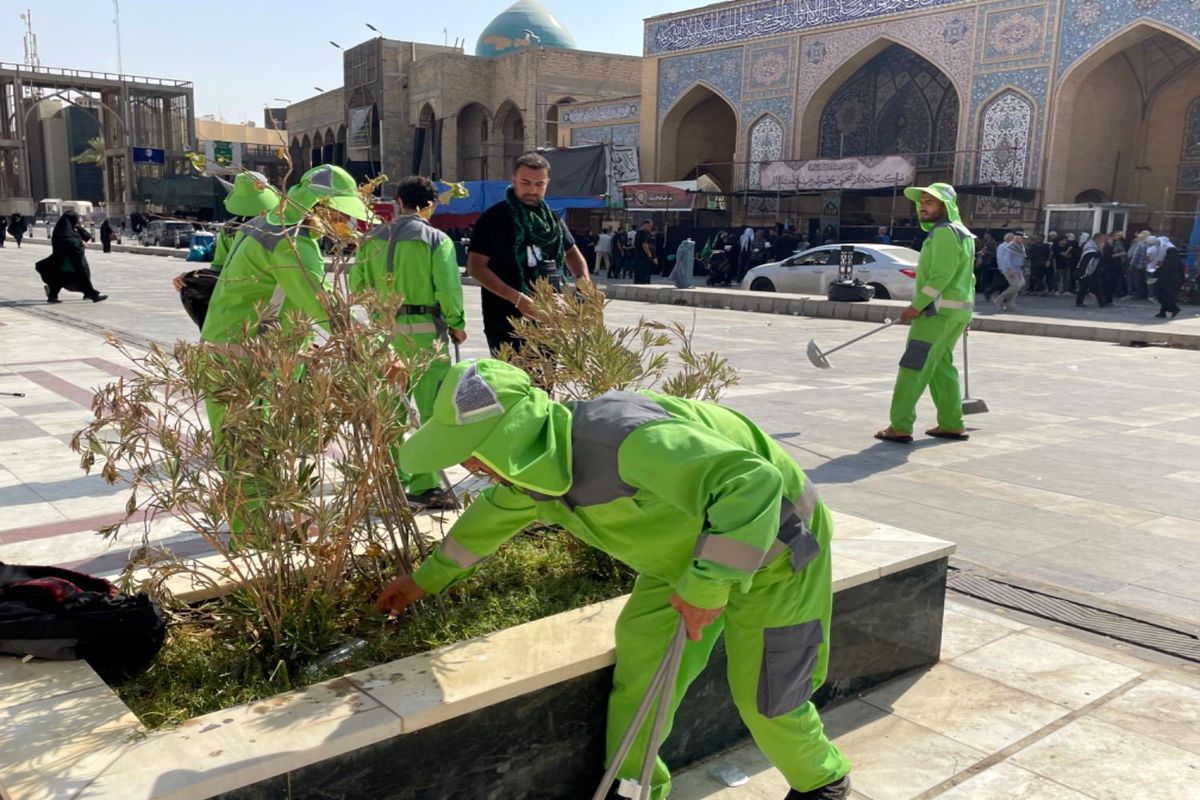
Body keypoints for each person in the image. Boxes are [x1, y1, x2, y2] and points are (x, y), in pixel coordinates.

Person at [376, 358, 854, 800]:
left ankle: (821, 781)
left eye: (472, 453)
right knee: (642, 668)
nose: (469, 468)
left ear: (511, 438)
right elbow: (488, 522)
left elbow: (752, 483)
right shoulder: (535, 472)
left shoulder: (627, 440)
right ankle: (635, 787)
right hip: (687, 558)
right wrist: (425, 580)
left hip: (779, 554)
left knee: (769, 697)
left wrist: (708, 586)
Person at [200, 164, 372, 534]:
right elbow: (321, 305)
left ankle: (258, 532)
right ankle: (253, 542)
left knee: (251, 453)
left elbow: (286, 304)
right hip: (243, 361)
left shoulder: (267, 226)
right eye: (338, 212)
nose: (342, 221)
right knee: (249, 455)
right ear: (318, 205)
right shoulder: (288, 240)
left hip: (240, 354)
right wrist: (371, 352)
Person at [350, 175, 466, 509]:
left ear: (398, 200)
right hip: (425, 336)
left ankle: (391, 481)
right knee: (431, 412)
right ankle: (425, 484)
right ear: (430, 205)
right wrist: (457, 323)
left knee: (390, 413)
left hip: (382, 336)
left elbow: (356, 288)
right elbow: (447, 288)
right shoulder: (435, 240)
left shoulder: (370, 239)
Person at [876, 183, 974, 444]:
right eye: (921, 203)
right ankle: (952, 424)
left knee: (913, 367)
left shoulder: (944, 233)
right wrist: (967, 314)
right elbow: (969, 278)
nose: (923, 207)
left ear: (946, 206)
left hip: (935, 314)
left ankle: (900, 426)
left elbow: (941, 275)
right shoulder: (964, 234)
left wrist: (917, 305)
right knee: (942, 368)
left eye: (930, 202)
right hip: (956, 312)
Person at [466, 152, 590, 355]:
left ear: (547, 184)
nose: (532, 190)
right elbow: (475, 267)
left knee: (544, 385)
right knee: (510, 384)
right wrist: (518, 299)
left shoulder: (551, 220)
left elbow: (573, 253)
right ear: (513, 180)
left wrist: (584, 287)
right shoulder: (494, 219)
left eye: (539, 184)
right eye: (526, 183)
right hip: (507, 320)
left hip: (548, 317)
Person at [34, 212, 107, 304]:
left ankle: (53, 296)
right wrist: (79, 243)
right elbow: (67, 242)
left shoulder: (70, 229)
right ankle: (93, 295)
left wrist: (78, 227)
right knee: (82, 276)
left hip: (69, 260)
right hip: (68, 260)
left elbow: (87, 236)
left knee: (60, 279)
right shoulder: (62, 231)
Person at [993, 230, 1026, 312]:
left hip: (1017, 268)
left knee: (1020, 284)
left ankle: (1010, 303)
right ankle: (1000, 299)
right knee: (1015, 285)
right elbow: (1002, 259)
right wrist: (1007, 269)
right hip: (1009, 269)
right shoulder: (1002, 247)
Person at [1152, 236, 1183, 319]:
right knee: (1166, 296)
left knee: (1165, 296)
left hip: (1170, 281)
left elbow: (1167, 269)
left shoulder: (1171, 257)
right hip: (1172, 280)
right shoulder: (1172, 256)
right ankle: (1162, 313)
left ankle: (1174, 309)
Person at [1074, 233, 1104, 307]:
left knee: (1092, 286)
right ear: (1097, 239)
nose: (1103, 241)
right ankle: (1101, 302)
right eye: (1101, 240)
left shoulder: (1092, 246)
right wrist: (1101, 248)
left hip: (1092, 270)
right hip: (1087, 270)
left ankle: (1101, 302)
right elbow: (1098, 255)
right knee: (1086, 287)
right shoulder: (1089, 247)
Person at [1126, 230, 1153, 301]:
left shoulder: (1139, 244)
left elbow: (1135, 255)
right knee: (1144, 280)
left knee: (1136, 280)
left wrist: (1131, 264)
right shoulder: (1150, 245)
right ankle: (1144, 294)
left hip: (1137, 265)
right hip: (1147, 266)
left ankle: (1137, 294)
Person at [634, 219, 657, 284]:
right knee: (642, 272)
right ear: (645, 225)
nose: (650, 227)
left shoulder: (648, 234)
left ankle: (645, 282)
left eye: (651, 226)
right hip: (642, 256)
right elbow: (644, 245)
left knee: (647, 272)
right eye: (649, 226)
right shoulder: (641, 233)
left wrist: (654, 256)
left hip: (646, 257)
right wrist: (649, 255)